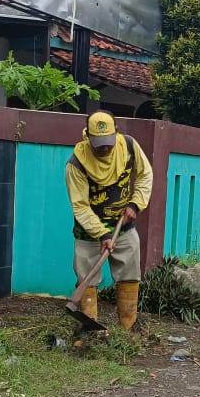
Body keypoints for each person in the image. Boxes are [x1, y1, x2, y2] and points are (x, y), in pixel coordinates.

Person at [65, 111, 154, 330]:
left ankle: (128, 328)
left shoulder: (129, 146)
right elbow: (80, 206)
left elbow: (145, 175)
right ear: (88, 137)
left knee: (129, 275)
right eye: (99, 144)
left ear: (117, 132)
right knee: (87, 278)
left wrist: (135, 204)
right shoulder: (76, 164)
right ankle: (90, 330)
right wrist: (102, 234)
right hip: (89, 232)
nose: (105, 148)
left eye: (108, 143)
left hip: (123, 227)